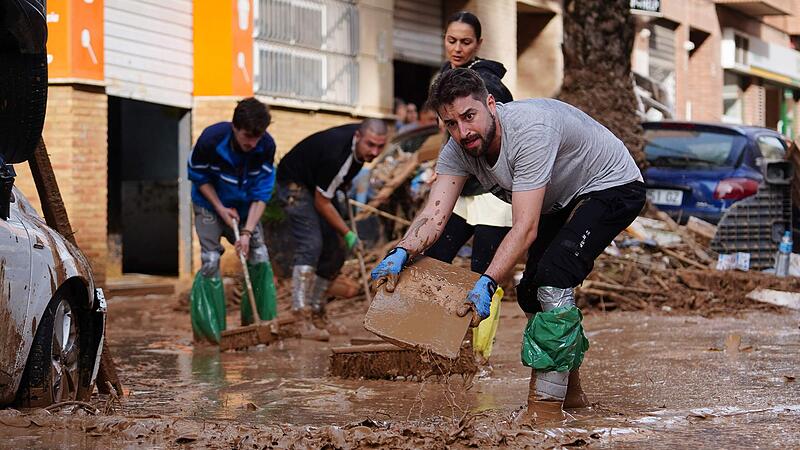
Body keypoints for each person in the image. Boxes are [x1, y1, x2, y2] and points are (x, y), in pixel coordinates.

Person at [371, 69, 645, 422]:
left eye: (469, 116)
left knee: (554, 277)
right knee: (530, 291)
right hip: (559, 198)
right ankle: (571, 395)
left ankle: (544, 411)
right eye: (451, 123)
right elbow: (434, 217)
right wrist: (402, 251)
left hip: (612, 186)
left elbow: (525, 228)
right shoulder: (458, 149)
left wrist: (486, 281)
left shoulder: (530, 131)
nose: (463, 132)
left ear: (490, 104)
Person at [276, 119, 389, 336]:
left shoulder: (358, 148)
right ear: (358, 136)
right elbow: (321, 202)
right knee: (311, 244)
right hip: (295, 183)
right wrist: (347, 233)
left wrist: (343, 183)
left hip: (318, 184)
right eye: (370, 145)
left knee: (336, 251)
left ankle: (318, 312)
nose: (374, 151)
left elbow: (332, 186)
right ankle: (301, 316)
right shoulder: (337, 155)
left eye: (380, 146)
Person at [425, 11, 513, 280]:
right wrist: (441, 166)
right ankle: (427, 322)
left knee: (483, 276)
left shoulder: (486, 84)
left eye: (465, 42)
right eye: (451, 41)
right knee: (433, 259)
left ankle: (481, 324)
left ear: (478, 43)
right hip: (461, 187)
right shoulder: (444, 76)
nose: (457, 49)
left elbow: (498, 135)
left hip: (492, 189)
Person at [187, 97, 277, 344]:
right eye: (248, 136)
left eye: (258, 137)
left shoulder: (266, 146)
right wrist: (221, 208)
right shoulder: (211, 139)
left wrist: (247, 233)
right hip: (210, 203)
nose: (253, 142)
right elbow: (198, 177)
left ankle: (261, 324)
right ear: (235, 127)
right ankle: (211, 336)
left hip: (247, 206)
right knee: (210, 259)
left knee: (259, 254)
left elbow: (262, 193)